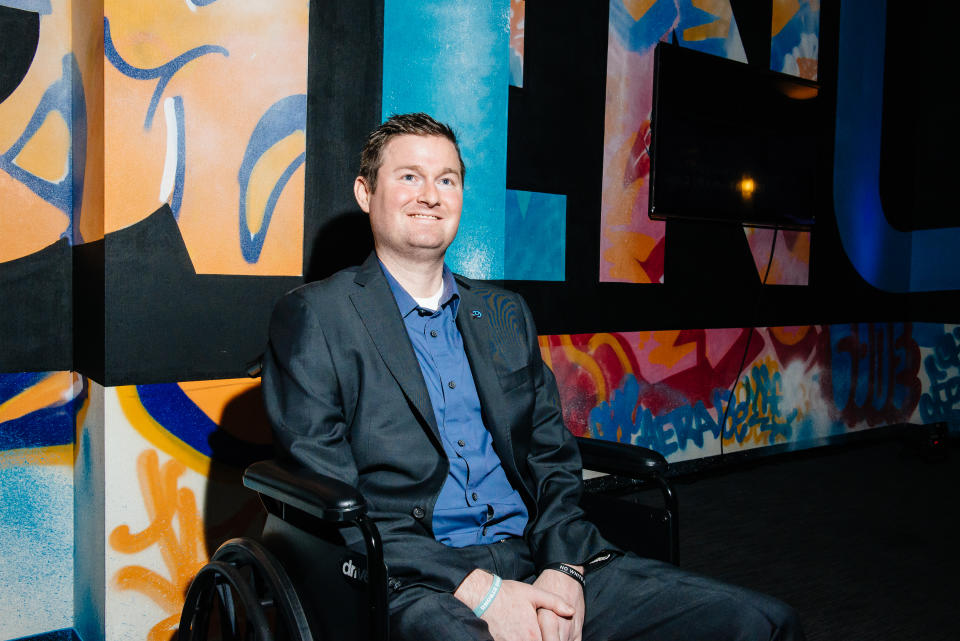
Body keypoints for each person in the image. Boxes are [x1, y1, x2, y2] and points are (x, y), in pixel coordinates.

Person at [261, 112, 805, 641]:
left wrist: (565, 569)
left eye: (446, 179)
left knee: (761, 623)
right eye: (409, 177)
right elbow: (336, 501)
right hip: (415, 574)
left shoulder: (503, 314)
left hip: (541, 551)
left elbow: (553, 457)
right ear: (365, 193)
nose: (430, 194)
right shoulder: (316, 317)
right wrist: (481, 592)